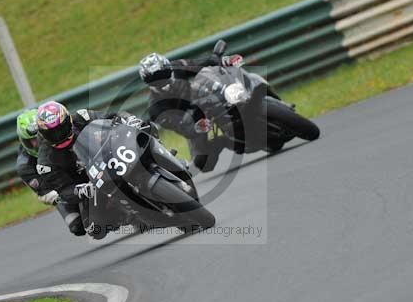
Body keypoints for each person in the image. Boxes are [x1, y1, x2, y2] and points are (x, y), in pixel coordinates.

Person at [35, 101, 137, 239]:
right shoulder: (45, 161)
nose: (59, 135)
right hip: (89, 183)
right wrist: (80, 190)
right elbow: (63, 190)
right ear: (43, 134)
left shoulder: (82, 117)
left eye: (61, 128)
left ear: (69, 120)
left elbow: (110, 117)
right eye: (52, 133)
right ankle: (126, 216)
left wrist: (127, 119)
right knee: (94, 229)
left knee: (142, 130)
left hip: (111, 156)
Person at [138, 51, 243, 172]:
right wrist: (196, 128)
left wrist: (222, 60)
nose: (163, 81)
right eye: (156, 80)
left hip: (203, 97)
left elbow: (200, 64)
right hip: (192, 119)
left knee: (206, 78)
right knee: (203, 164)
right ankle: (223, 141)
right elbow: (180, 126)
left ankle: (240, 114)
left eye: (164, 74)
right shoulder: (155, 108)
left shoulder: (177, 66)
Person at [15, 109, 86, 236]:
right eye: (33, 141)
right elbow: (45, 193)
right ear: (24, 141)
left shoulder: (59, 136)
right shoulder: (25, 166)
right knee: (76, 225)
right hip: (60, 187)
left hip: (79, 167)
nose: (38, 143)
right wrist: (69, 192)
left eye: (39, 136)